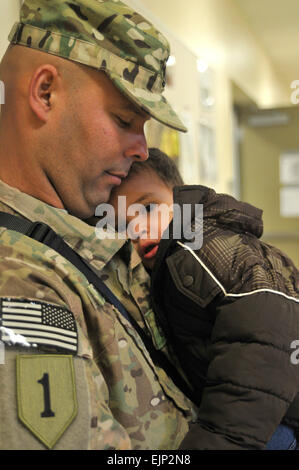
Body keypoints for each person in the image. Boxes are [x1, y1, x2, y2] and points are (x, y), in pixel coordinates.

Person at [0, 0, 197, 450]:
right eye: (125, 120)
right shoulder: (19, 281)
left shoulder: (87, 223)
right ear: (45, 92)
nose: (142, 150)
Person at [109, 147, 299, 450]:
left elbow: (266, 336)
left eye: (148, 208)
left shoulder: (199, 247)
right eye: (122, 225)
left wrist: (218, 439)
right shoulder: (172, 260)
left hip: (274, 425)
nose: (139, 229)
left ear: (180, 196)